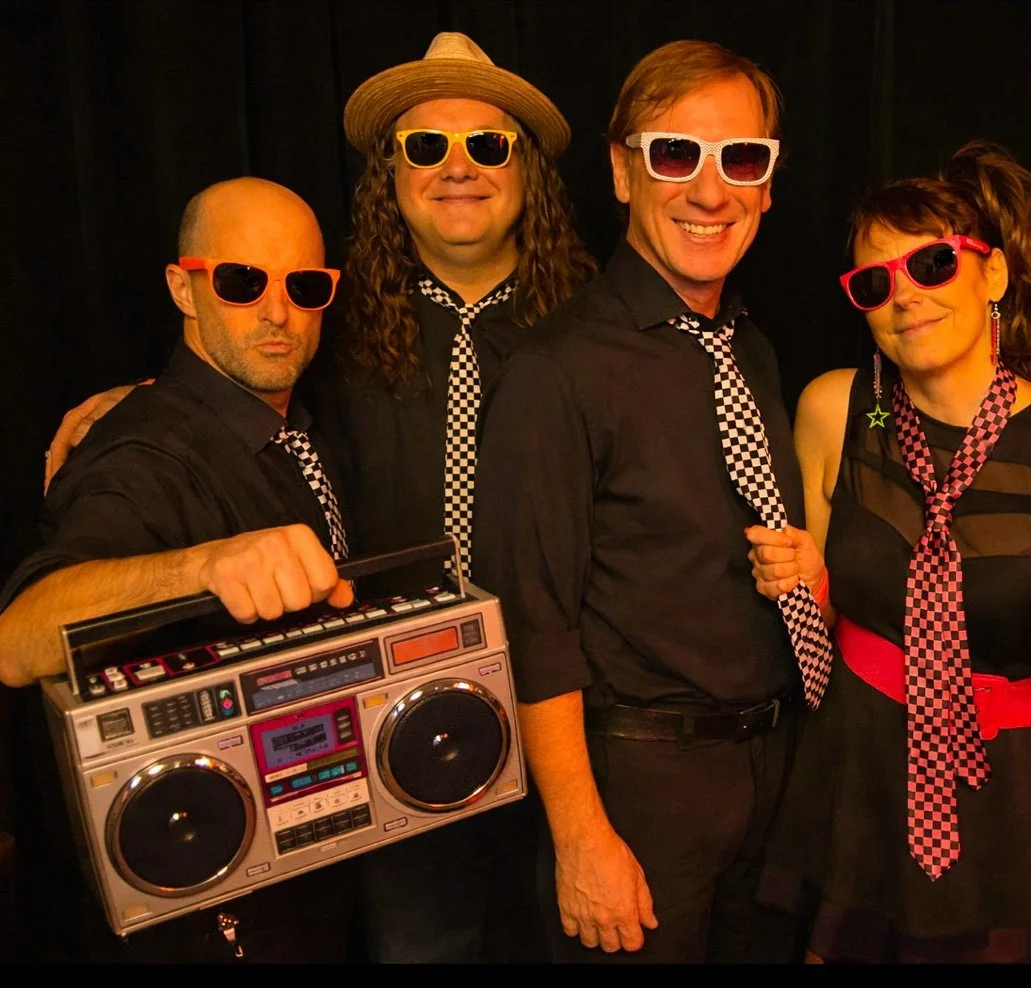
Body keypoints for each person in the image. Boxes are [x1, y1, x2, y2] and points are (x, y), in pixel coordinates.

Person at [40, 32, 599, 963]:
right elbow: (239, 367)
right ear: (393, 176)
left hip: (572, 735)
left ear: (527, 171)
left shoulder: (591, 330)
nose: (457, 166)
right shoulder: (332, 317)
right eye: (426, 145)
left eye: (487, 144)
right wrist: (137, 398)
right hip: (403, 753)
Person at [743, 142, 1031, 963]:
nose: (905, 296)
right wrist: (806, 583)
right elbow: (826, 628)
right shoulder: (837, 411)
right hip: (860, 780)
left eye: (933, 264)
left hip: (1018, 806)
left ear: (994, 275)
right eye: (876, 283)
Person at [468, 40, 809, 963]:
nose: (711, 191)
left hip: (773, 773)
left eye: (741, 159)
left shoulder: (751, 349)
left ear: (768, 185)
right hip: (639, 791)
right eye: (676, 154)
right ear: (622, 174)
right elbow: (530, 624)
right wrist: (582, 837)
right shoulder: (556, 373)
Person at [0, 177, 362, 962]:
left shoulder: (288, 420)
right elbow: (17, 637)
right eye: (241, 282)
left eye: (304, 286)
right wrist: (203, 564)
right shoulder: (144, 456)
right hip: (208, 905)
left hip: (306, 862)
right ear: (182, 287)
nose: (278, 312)